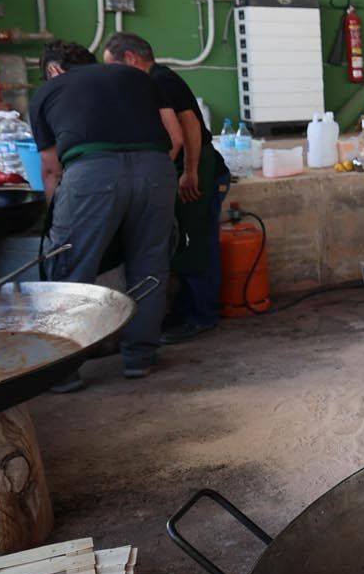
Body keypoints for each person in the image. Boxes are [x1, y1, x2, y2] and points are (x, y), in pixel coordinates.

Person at [31, 40, 181, 387]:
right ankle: (139, 358)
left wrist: (59, 215)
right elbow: (173, 137)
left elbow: (51, 169)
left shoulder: (49, 90)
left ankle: (64, 370)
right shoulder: (137, 78)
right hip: (156, 168)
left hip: (91, 173)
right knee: (150, 262)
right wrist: (147, 176)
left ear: (53, 70)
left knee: (69, 269)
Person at [104, 31, 225, 341]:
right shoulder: (150, 83)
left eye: (113, 66)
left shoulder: (160, 79)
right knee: (181, 243)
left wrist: (190, 172)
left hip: (197, 166)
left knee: (194, 241)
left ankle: (202, 315)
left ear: (130, 58)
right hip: (180, 166)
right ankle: (186, 311)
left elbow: (190, 127)